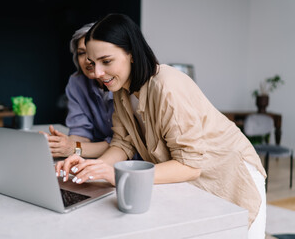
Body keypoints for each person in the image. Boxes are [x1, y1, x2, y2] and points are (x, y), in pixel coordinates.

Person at [55, 14, 266, 238]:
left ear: (132, 54)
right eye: (93, 62)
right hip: (195, 181)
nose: (97, 73)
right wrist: (94, 168)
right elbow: (122, 142)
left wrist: (117, 175)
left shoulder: (167, 85)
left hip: (231, 174)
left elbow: (190, 165)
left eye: (106, 62)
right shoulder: (120, 91)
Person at [42, 23, 114, 158]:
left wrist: (74, 148)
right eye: (82, 53)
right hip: (96, 158)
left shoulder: (124, 83)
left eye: (94, 52)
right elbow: (81, 133)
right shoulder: (77, 83)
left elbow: (126, 145)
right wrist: (59, 144)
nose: (88, 60)